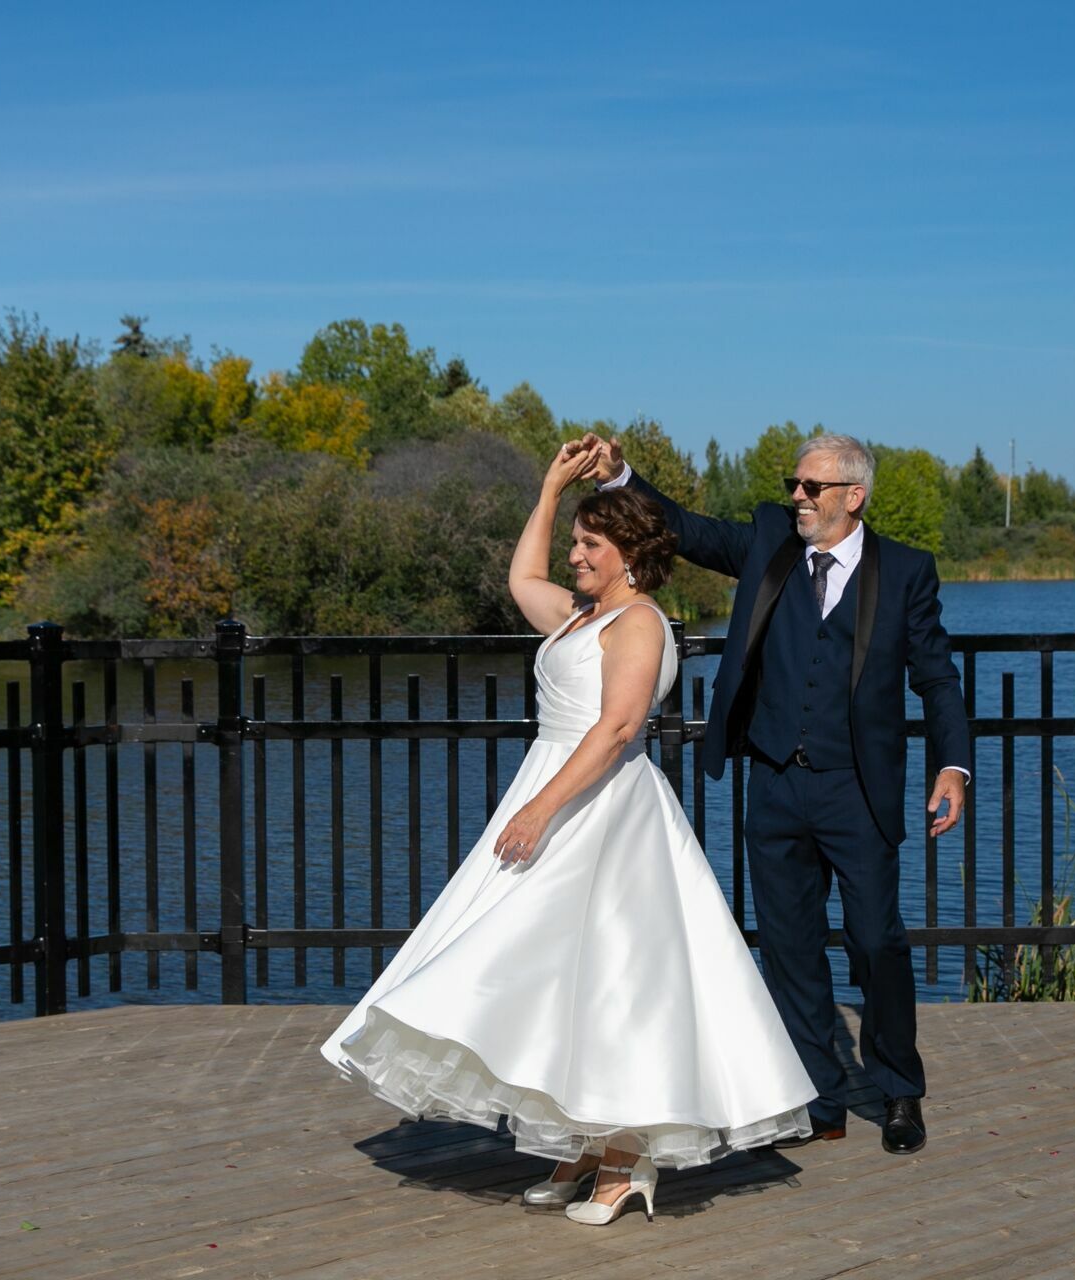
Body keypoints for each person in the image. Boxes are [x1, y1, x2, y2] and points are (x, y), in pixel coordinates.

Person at [321, 441, 816, 1226]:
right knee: (553, 978)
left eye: (591, 544)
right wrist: (549, 489)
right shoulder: (579, 615)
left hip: (599, 813)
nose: (575, 555)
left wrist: (541, 808)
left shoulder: (639, 624)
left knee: (614, 986)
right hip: (555, 789)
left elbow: (619, 727)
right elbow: (521, 580)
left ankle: (627, 1160)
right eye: (576, 543)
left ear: (629, 555)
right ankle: (584, 1145)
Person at [579, 431, 970, 1156]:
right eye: (795, 484)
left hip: (859, 790)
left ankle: (898, 1091)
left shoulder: (907, 572)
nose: (797, 496)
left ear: (853, 497)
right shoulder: (769, 541)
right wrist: (620, 478)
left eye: (812, 488)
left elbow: (938, 679)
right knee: (788, 947)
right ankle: (817, 1097)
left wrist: (954, 768)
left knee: (877, 941)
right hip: (776, 784)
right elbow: (683, 529)